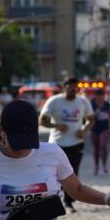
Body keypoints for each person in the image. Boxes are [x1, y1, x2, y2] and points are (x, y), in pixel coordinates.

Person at [39, 77, 94, 212]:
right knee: (54, 173)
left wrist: (85, 130)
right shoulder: (54, 101)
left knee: (72, 172)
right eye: (71, 88)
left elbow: (91, 119)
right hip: (57, 143)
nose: (74, 91)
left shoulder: (83, 101)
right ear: (64, 88)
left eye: (76, 88)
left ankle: (69, 202)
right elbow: (42, 120)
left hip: (76, 143)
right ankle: (53, 199)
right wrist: (57, 125)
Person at [90, 89, 110, 175]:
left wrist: (109, 117)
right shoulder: (91, 104)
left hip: (104, 128)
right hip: (94, 128)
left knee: (103, 146)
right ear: (95, 96)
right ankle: (96, 165)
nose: (100, 97)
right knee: (96, 148)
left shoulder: (107, 104)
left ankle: (104, 164)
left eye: (102, 95)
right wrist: (94, 115)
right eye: (98, 95)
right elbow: (87, 117)